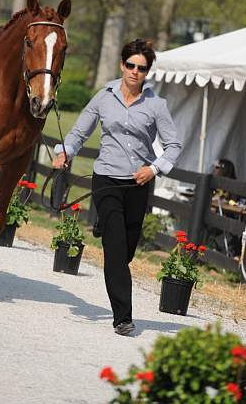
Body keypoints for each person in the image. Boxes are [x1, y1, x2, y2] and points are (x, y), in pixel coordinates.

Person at [52, 38, 182, 336]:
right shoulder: (104, 96)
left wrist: (153, 168)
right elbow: (79, 132)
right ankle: (123, 317)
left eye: (142, 68)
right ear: (122, 65)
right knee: (115, 250)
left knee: (126, 251)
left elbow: (174, 145)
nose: (135, 72)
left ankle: (106, 230)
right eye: (131, 65)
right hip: (106, 179)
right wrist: (65, 151)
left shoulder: (156, 105)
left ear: (148, 72)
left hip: (137, 185)